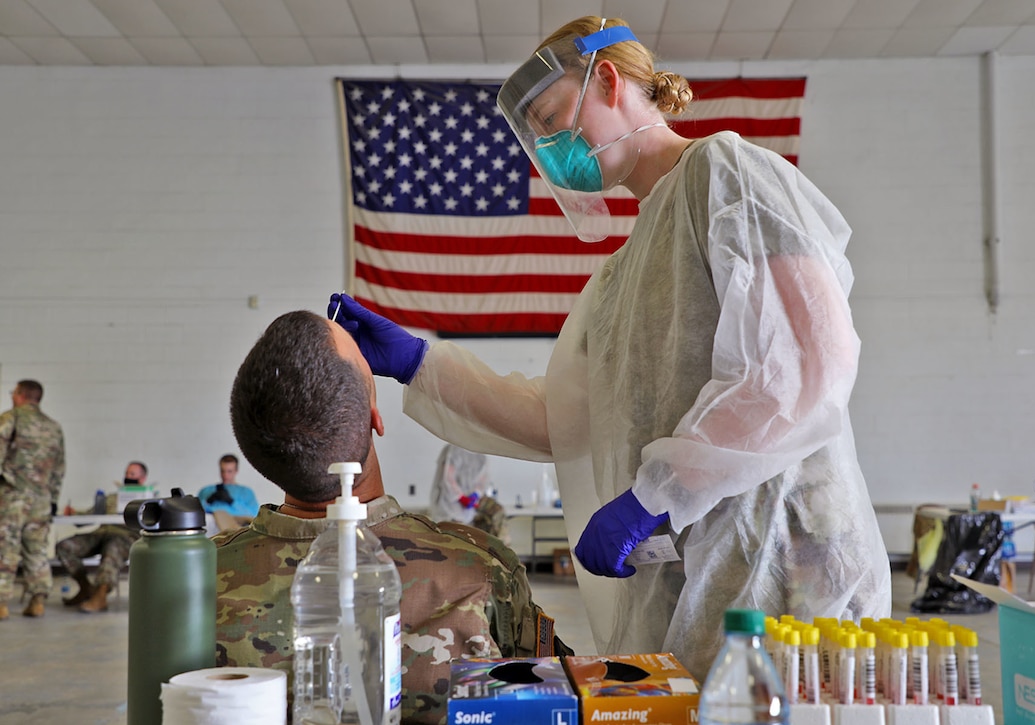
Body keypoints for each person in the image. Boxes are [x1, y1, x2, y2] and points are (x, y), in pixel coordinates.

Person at [328, 15, 891, 680]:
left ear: (608, 79)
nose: (547, 145)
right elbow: (563, 419)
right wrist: (421, 362)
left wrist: (659, 494)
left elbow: (806, 362)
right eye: (535, 134)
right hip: (691, 584)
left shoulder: (728, 172)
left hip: (790, 566)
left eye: (552, 115)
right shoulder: (621, 277)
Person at [217, 310, 571, 724]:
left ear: (252, 448)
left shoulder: (191, 577)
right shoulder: (482, 570)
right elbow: (561, 704)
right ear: (375, 416)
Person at [0, 380, 65, 620]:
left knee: (5, 548)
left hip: (12, 496)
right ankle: (38, 600)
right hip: (41, 499)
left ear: (19, 395)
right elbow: (59, 469)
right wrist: (53, 500)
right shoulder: (53, 427)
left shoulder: (11, 418)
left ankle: (2, 603)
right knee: (36, 549)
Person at [55, 461, 146, 613]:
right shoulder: (111, 498)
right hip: (101, 533)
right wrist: (74, 513)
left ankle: (101, 596)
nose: (127, 477)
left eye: (132, 474)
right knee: (64, 547)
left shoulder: (147, 500)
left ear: (142, 479)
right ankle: (85, 588)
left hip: (125, 536)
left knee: (112, 548)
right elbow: (90, 515)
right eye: (126, 473)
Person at [196, 454, 259, 523]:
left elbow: (253, 514)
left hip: (236, 525)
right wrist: (208, 501)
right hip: (210, 522)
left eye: (229, 471)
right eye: (222, 471)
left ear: (236, 471)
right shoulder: (207, 490)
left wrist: (231, 501)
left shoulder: (246, 492)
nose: (225, 475)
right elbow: (195, 512)